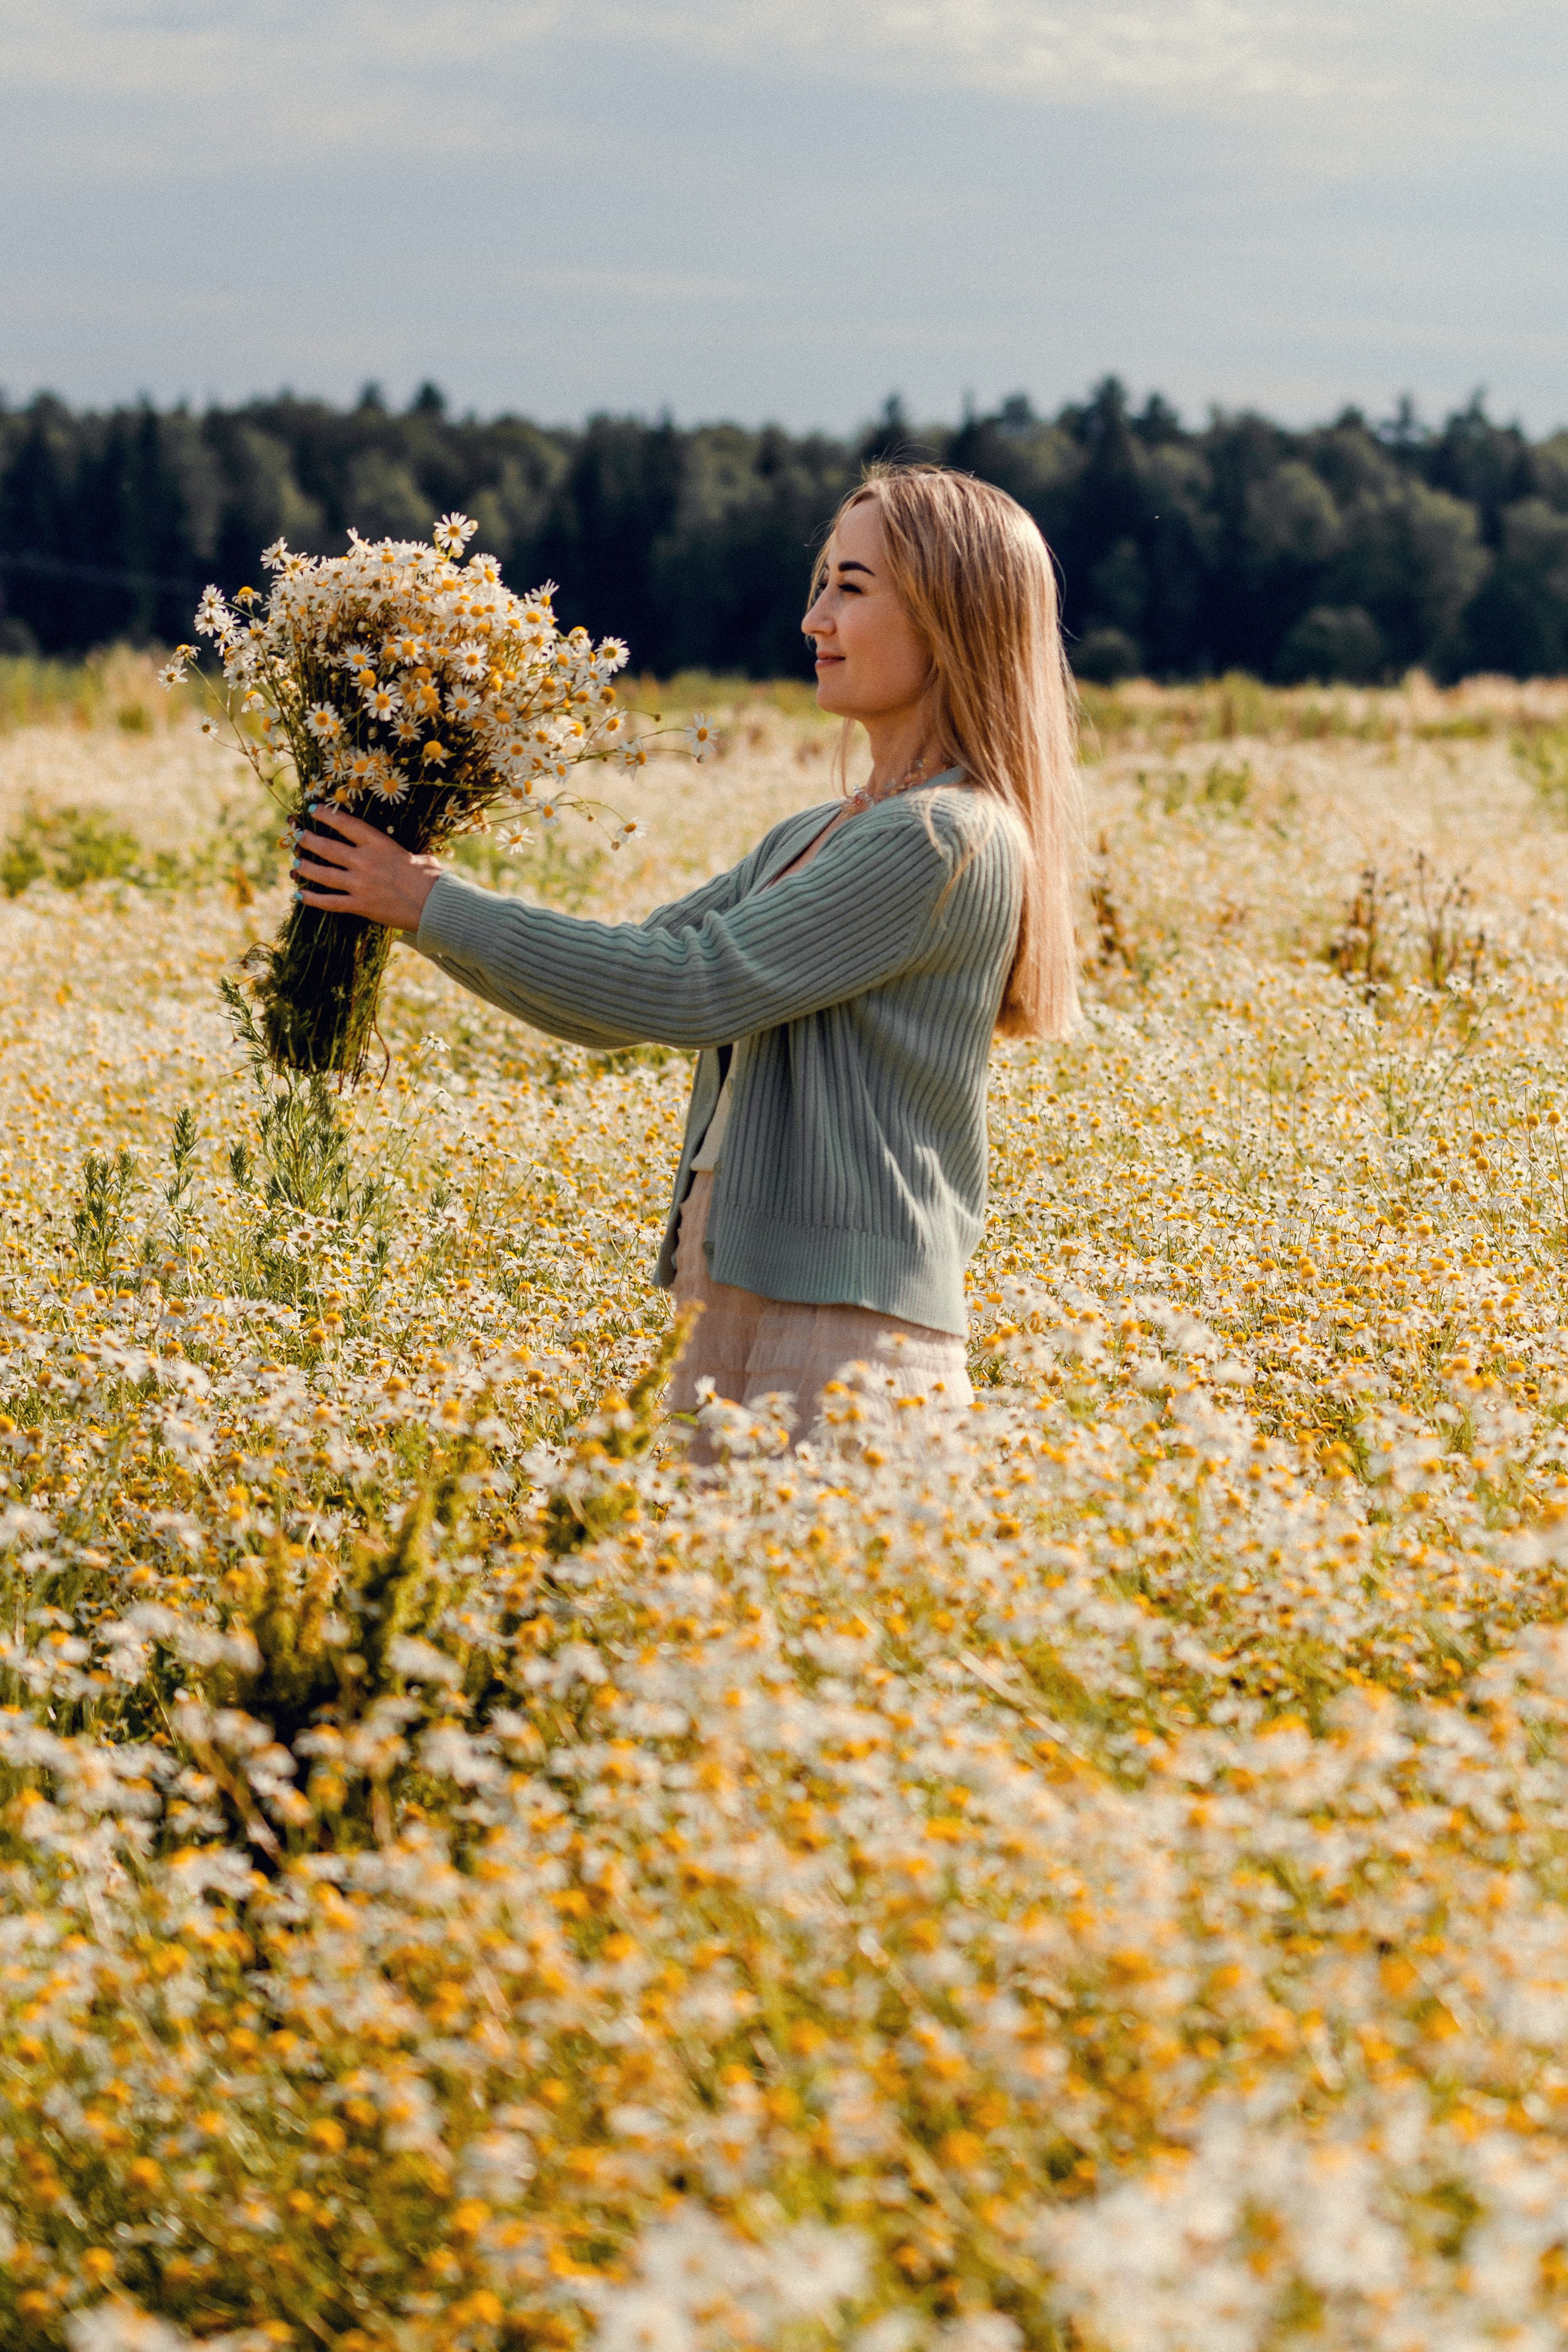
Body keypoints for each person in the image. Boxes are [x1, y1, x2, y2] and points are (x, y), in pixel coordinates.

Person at [290, 464, 1083, 1453]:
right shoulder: (817, 832)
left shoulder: (941, 838)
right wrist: (412, 903)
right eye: (820, 583)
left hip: (848, 1334)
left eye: (852, 587)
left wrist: (427, 901)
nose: (814, 620)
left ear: (952, 616)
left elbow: (690, 986)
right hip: (733, 1302)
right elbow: (628, 986)